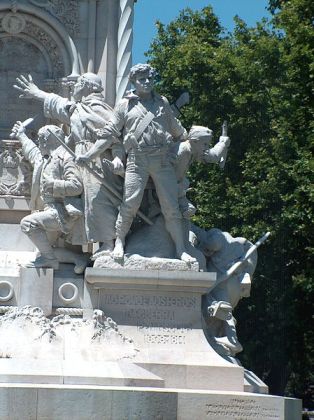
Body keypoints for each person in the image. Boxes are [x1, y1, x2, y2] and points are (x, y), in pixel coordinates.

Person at [75, 63, 196, 263]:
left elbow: (178, 131)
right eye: (142, 79)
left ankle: (181, 249)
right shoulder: (125, 105)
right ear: (133, 82)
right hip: (136, 161)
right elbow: (109, 133)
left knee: (171, 207)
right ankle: (120, 241)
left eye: (150, 78)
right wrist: (89, 155)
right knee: (130, 204)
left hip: (162, 161)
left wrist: (188, 144)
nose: (147, 82)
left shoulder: (162, 102)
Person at [14, 73, 125, 258]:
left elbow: (115, 135)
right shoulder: (79, 108)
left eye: (79, 83)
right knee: (92, 202)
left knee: (100, 200)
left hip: (97, 160)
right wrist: (37, 93)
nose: (75, 87)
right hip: (83, 158)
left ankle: (108, 244)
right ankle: (104, 244)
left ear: (88, 86)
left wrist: (117, 158)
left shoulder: (98, 108)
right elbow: (60, 105)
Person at [11, 122, 86, 271]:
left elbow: (77, 186)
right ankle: (80, 259)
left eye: (40, 139)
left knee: (27, 224)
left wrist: (54, 185)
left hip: (62, 212)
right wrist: (21, 135)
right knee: (43, 251)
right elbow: (31, 151)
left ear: (47, 139)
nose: (38, 143)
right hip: (47, 210)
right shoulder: (43, 159)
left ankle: (50, 260)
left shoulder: (66, 157)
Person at [171, 125, 230, 217]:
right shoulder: (181, 151)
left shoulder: (195, 150)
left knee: (190, 210)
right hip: (165, 188)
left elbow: (212, 156)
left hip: (176, 189)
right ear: (194, 141)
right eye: (205, 144)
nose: (207, 147)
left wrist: (222, 143)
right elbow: (166, 174)